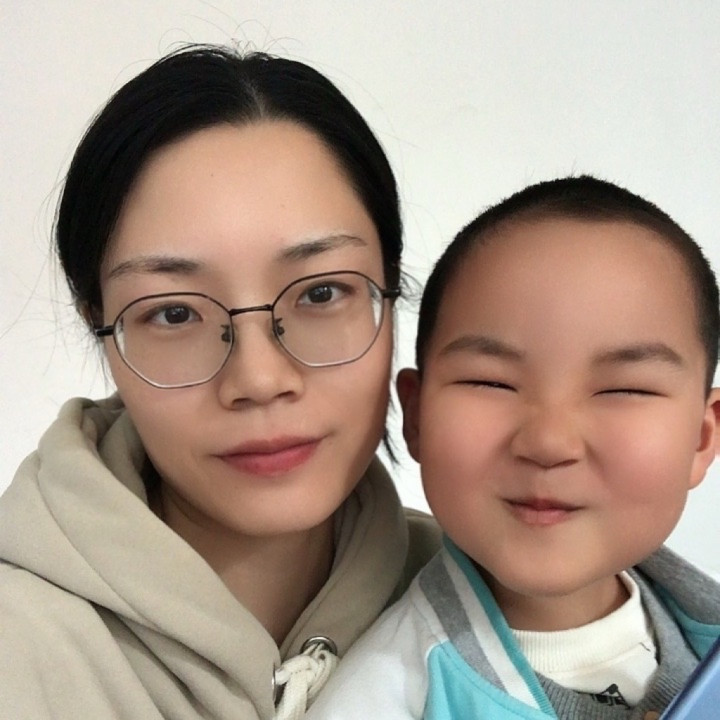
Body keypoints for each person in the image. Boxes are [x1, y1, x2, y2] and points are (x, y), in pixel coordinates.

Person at [0, 44, 440, 719]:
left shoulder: (498, 607)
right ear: (101, 327)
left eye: (321, 293)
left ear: (390, 286)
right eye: (174, 313)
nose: (260, 379)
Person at [307, 175, 720, 720]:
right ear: (417, 415)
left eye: (624, 390)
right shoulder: (383, 700)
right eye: (492, 382)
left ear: (701, 437)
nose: (549, 442)